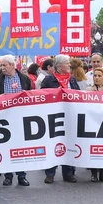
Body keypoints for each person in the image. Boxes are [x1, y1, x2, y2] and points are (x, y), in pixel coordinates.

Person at [0, 54, 32, 187]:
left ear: (12, 66)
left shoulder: (24, 79)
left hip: (20, 118)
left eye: (4, 65)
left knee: (20, 148)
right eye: (1, 65)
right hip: (4, 119)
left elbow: (31, 96)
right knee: (6, 146)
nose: (2, 68)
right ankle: (8, 176)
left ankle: (21, 176)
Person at [41, 55, 77, 183]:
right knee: (53, 143)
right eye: (67, 63)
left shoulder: (71, 80)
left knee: (69, 144)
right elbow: (42, 97)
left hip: (70, 117)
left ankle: (69, 173)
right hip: (54, 117)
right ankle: (50, 173)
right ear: (59, 66)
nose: (69, 65)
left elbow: (78, 95)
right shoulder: (49, 80)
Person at [86, 67, 103, 182]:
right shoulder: (88, 90)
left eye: (99, 76)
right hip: (92, 123)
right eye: (95, 75)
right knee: (93, 149)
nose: (96, 78)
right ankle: (93, 173)